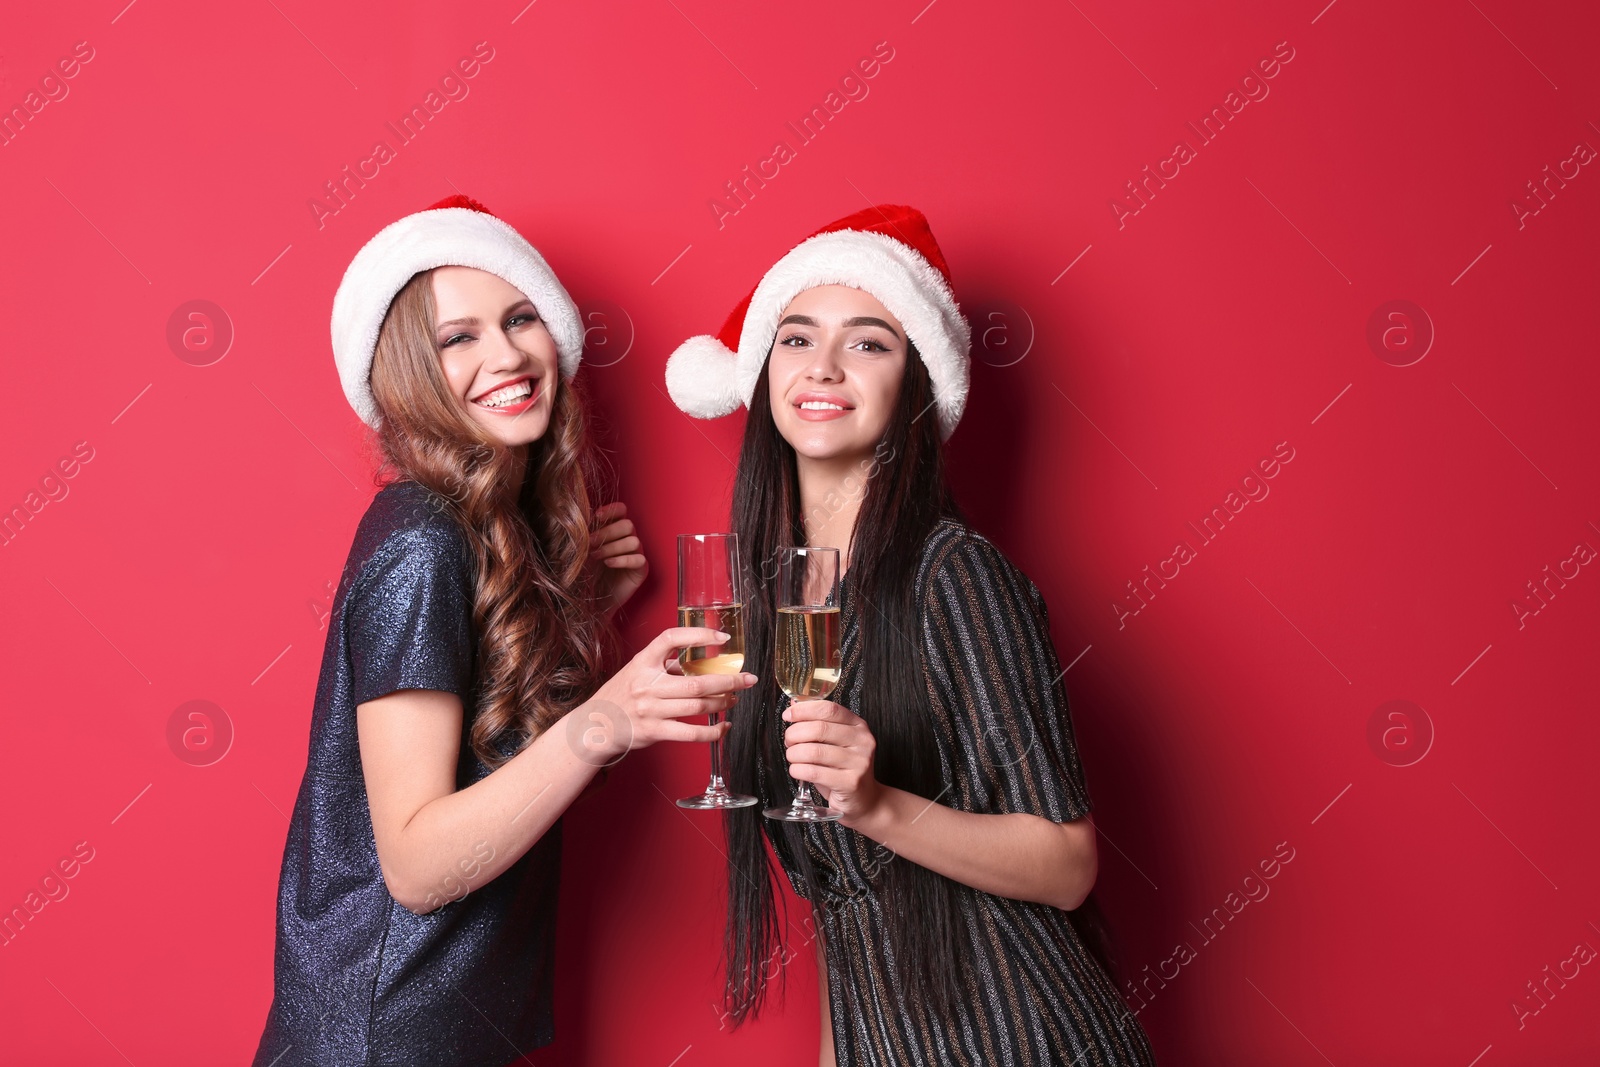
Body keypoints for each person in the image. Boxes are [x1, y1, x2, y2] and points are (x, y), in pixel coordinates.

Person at [253, 195, 755, 1067]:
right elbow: (414, 863)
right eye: (460, 337)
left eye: (520, 317)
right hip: (384, 1038)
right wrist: (610, 717)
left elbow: (500, 768)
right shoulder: (421, 540)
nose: (508, 353)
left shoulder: (487, 537)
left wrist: (582, 614)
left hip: (446, 1029)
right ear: (409, 370)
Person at [664, 205, 1157, 1065]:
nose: (823, 365)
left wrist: (879, 804)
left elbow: (1067, 860)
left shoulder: (952, 573)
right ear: (761, 370)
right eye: (796, 338)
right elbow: (840, 904)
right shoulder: (791, 603)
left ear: (915, 383)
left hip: (1021, 1041)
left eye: (867, 343)